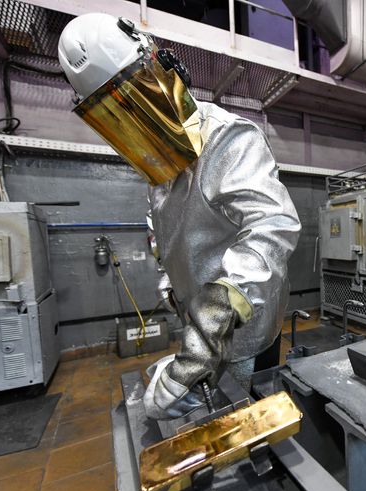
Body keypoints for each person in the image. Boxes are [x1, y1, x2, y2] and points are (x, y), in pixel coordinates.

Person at [58, 14, 301, 419]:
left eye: (137, 100)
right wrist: (172, 285)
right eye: (117, 115)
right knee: (215, 413)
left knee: (248, 424)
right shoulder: (158, 170)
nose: (137, 123)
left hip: (243, 328)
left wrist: (202, 341)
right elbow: (167, 237)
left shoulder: (227, 137)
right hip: (198, 330)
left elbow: (272, 228)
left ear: (164, 71)